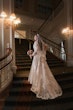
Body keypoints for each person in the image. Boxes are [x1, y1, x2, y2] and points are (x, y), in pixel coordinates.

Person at [27, 34, 62, 100]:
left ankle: (38, 84)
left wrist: (31, 55)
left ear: (36, 37)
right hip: (41, 57)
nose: (34, 37)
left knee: (38, 70)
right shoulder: (42, 43)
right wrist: (40, 53)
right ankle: (41, 83)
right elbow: (45, 49)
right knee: (43, 70)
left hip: (37, 58)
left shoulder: (36, 42)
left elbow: (36, 51)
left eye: (34, 36)